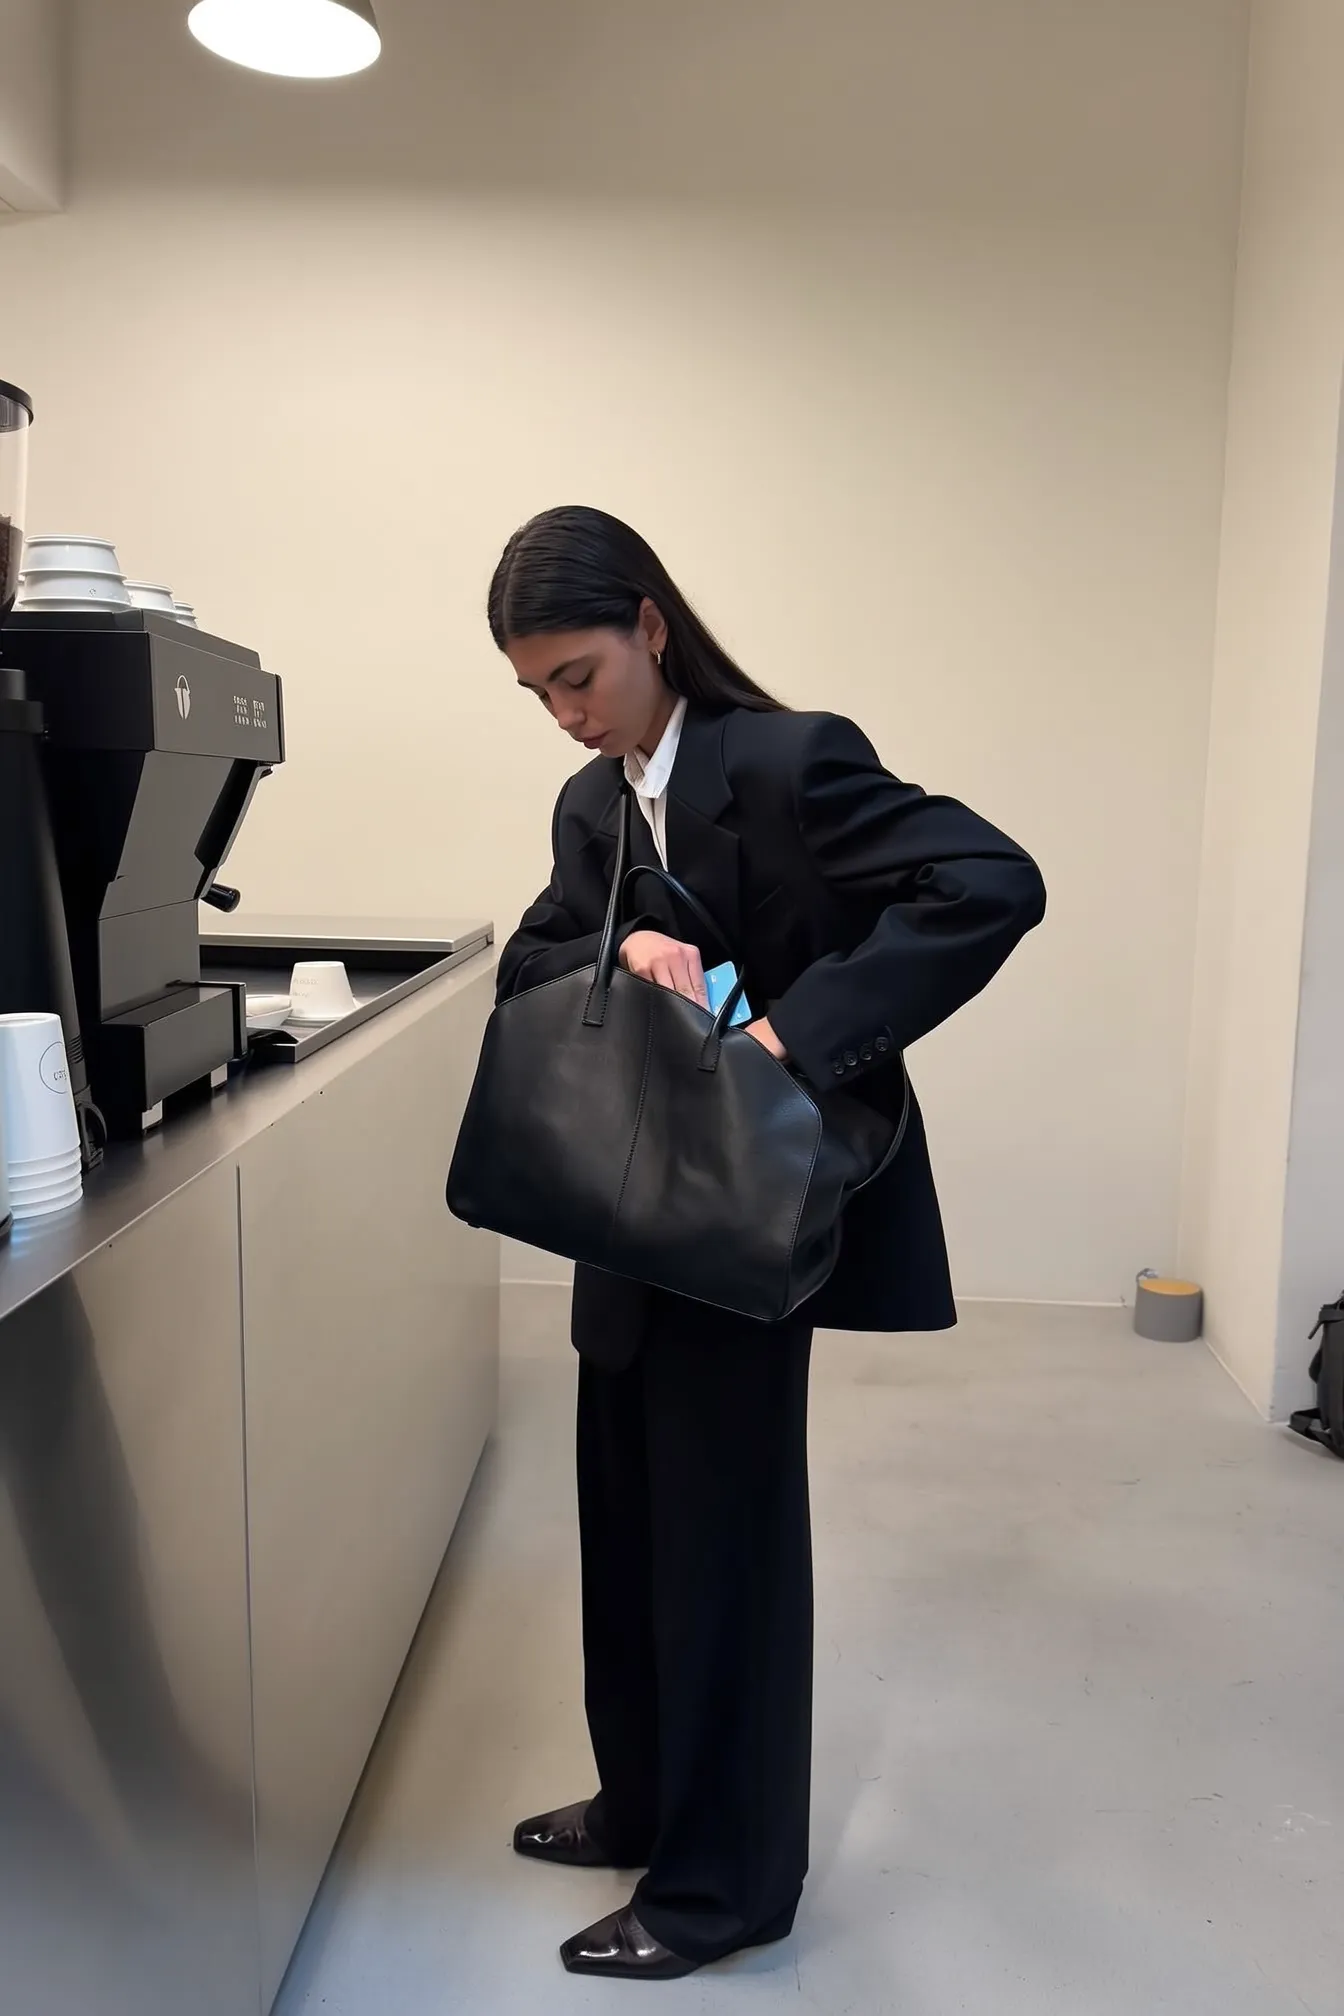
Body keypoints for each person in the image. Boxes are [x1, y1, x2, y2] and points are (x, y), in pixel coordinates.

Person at [488, 505, 1046, 1981]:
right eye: (538, 689)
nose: (566, 711)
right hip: (622, 1204)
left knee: (723, 1537)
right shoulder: (596, 804)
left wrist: (794, 1036)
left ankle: (723, 1886)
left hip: (746, 1207)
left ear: (650, 626)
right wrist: (620, 949)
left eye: (580, 674)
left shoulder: (791, 764)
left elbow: (990, 882)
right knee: (624, 1508)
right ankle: (648, 1798)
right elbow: (530, 954)